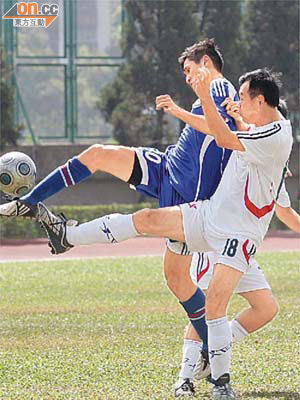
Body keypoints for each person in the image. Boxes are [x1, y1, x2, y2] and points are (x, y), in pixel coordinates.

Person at [33, 68, 293, 399]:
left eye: (243, 97)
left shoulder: (277, 136)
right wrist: (221, 115)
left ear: (260, 99)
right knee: (148, 218)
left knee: (215, 303)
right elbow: (229, 136)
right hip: (210, 215)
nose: (238, 102)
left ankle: (219, 382)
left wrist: (204, 98)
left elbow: (224, 138)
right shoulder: (260, 131)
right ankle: (67, 236)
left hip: (238, 235)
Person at [0, 38, 239, 379]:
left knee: (176, 278)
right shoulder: (212, 91)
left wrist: (183, 110)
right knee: (99, 153)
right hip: (167, 167)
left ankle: (210, 347)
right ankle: (31, 201)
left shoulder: (217, 86)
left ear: (206, 63)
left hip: (188, 200)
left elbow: (220, 134)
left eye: (189, 70)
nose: (187, 78)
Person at [176, 201, 300, 398]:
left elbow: (285, 214)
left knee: (266, 308)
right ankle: (185, 379)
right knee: (206, 308)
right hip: (213, 246)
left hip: (242, 250)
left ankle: (214, 349)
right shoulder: (237, 168)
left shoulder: (276, 177)